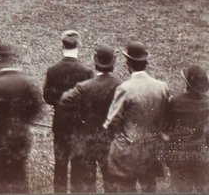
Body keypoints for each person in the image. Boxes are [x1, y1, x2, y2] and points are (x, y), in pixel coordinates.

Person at [103, 40, 170, 193]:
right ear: (146, 63)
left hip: (128, 149)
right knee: (149, 187)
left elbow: (112, 121)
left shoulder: (125, 88)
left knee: (126, 187)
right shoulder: (162, 86)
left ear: (128, 64)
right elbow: (168, 116)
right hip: (152, 149)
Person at [59, 44, 121, 193]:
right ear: (114, 62)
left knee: (87, 181)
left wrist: (78, 118)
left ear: (95, 60)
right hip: (110, 137)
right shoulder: (120, 86)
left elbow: (65, 100)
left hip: (87, 137)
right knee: (111, 179)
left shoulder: (84, 86)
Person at [0, 44, 43, 193]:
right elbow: (37, 106)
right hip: (20, 135)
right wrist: (23, 121)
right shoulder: (24, 80)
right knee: (18, 173)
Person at [43, 30, 94, 193]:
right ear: (79, 46)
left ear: (61, 45)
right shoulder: (86, 71)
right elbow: (88, 101)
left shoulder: (53, 70)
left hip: (60, 123)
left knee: (60, 163)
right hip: (79, 124)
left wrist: (60, 103)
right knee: (78, 164)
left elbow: (47, 96)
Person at [161, 64, 209, 192]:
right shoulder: (207, 103)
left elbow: (165, 127)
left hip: (180, 156)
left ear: (187, 83)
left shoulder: (175, 102)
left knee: (181, 190)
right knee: (203, 189)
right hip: (202, 155)